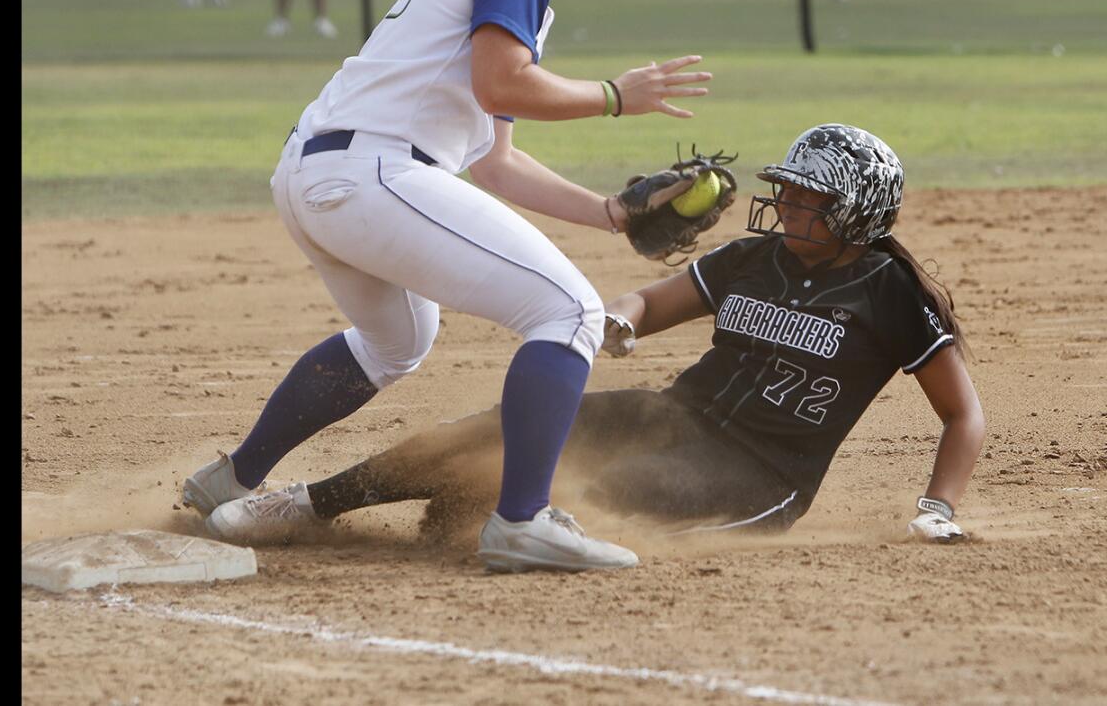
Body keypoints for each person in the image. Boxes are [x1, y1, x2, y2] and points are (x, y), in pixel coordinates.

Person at [180, 0, 712, 574]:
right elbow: (501, 84)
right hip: (374, 172)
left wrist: (612, 213)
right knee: (569, 311)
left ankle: (233, 478)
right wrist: (614, 95)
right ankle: (523, 521)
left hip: (319, 174)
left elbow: (496, 160)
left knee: (399, 339)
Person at [201, 124, 987, 556]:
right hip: (670, 412)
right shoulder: (757, 257)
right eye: (785, 192)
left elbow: (961, 415)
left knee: (594, 494)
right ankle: (310, 503)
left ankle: (479, 517)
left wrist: (938, 507)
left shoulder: (891, 294)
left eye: (807, 198)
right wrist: (614, 319)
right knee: (484, 436)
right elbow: (649, 304)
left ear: (857, 211)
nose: (785, 207)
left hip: (759, 477)